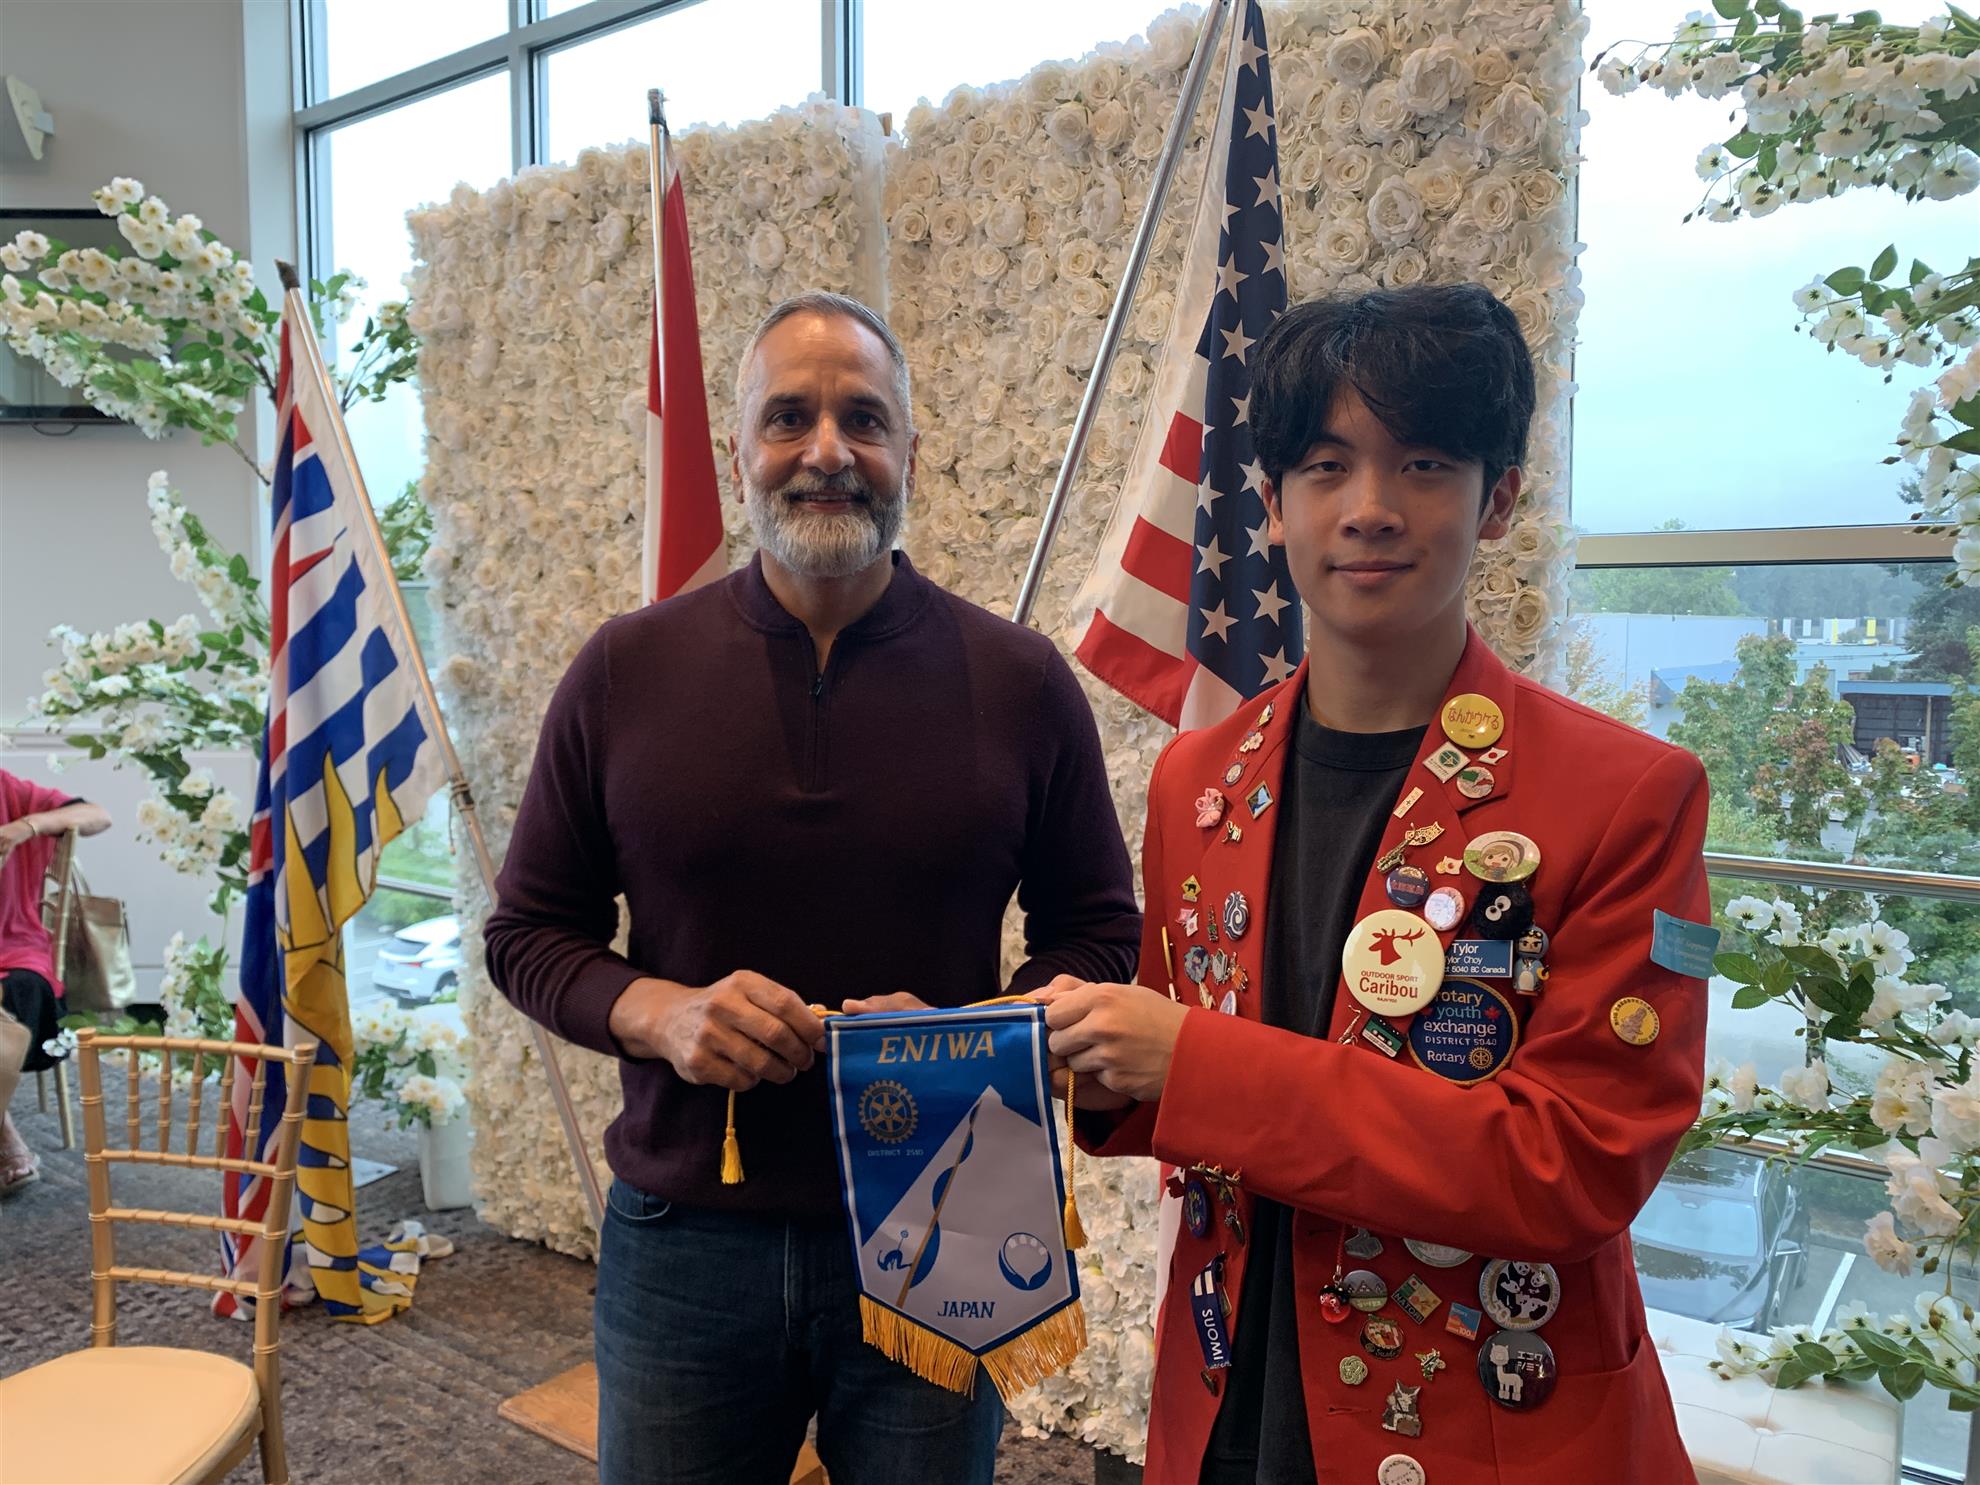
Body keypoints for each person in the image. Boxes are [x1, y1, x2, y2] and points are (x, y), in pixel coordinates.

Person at [1042, 285, 1711, 1485]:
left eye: (1424, 465)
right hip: (1230, 1401)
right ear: (1271, 505)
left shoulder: (1628, 797)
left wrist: (1186, 1062)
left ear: (1498, 500)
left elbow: (1575, 1163)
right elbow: (1179, 1075)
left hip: (1485, 1427)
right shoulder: (1199, 780)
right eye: (1325, 466)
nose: (1368, 509)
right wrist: (1057, 1054)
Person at [484, 291, 1141, 1485]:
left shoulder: (1023, 680)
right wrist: (661, 1014)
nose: (827, 450)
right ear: (739, 449)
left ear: (909, 453)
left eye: (864, 419)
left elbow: (1098, 933)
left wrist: (972, 1038)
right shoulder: (624, 670)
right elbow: (528, 932)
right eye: (789, 417)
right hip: (689, 1230)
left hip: (958, 1192)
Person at [1, 768, 111, 1194]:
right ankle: (5, 1131)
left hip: (11, 947)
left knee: (21, 991)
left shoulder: (7, 789)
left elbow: (98, 815)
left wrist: (26, 826)